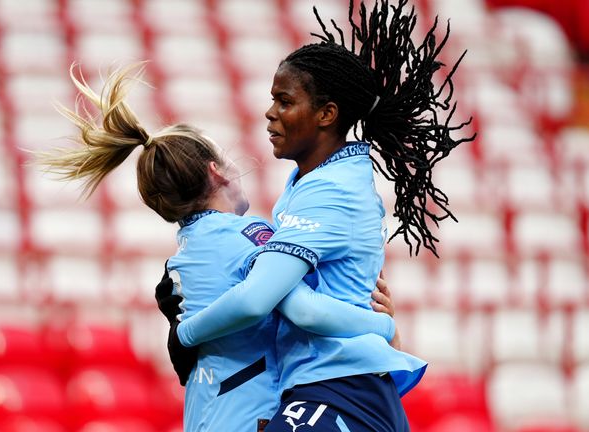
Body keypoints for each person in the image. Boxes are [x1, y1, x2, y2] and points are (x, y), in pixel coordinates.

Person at [37, 62, 402, 431]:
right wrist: (383, 326)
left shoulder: (181, 261)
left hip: (203, 412)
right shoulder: (249, 236)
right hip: (248, 414)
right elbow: (294, 305)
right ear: (216, 170)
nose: (269, 112)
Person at [170, 0, 473, 430]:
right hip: (326, 390)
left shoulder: (331, 191)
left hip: (340, 388)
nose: (269, 112)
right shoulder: (311, 183)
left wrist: (186, 333)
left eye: (284, 101)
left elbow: (272, 300)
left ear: (327, 114)